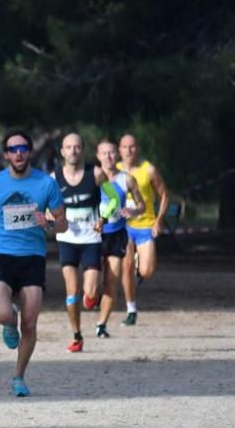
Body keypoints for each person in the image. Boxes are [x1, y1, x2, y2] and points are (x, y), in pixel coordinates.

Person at [0, 129, 67, 397]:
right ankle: (9, 323)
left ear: (30, 152)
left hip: (33, 258)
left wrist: (52, 224)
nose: (19, 153)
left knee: (30, 325)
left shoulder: (47, 184)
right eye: (13, 149)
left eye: (23, 148)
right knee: (3, 314)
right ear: (6, 155)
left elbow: (63, 223)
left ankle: (19, 376)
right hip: (2, 254)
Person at [52, 133, 102, 353]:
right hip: (67, 239)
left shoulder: (96, 174)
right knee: (71, 292)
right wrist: (51, 218)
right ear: (62, 151)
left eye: (77, 147)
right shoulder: (53, 179)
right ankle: (77, 336)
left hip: (91, 238)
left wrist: (104, 217)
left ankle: (92, 296)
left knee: (89, 293)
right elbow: (44, 204)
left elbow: (111, 198)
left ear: (83, 150)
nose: (73, 151)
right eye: (68, 147)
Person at [117, 134, 169, 326]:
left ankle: (139, 273)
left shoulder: (149, 170)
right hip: (124, 227)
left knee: (147, 271)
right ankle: (131, 310)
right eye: (125, 147)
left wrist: (159, 220)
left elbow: (164, 195)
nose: (129, 151)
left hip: (146, 225)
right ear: (119, 150)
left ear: (137, 148)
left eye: (132, 147)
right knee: (127, 266)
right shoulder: (115, 170)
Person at [94, 139, 144, 339]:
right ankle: (91, 297)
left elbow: (141, 205)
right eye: (104, 153)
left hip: (117, 235)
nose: (108, 157)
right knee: (93, 283)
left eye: (112, 152)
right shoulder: (92, 178)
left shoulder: (127, 179)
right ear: (97, 156)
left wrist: (133, 210)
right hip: (94, 235)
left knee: (111, 280)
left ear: (117, 155)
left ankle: (101, 324)